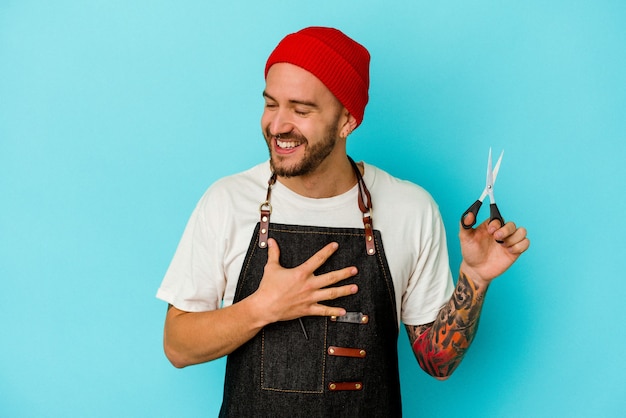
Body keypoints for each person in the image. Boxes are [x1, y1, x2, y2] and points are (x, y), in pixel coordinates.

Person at [157, 26, 530, 417]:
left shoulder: (410, 208)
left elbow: (437, 363)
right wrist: (262, 308)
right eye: (271, 104)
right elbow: (177, 347)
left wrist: (475, 277)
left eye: (301, 110)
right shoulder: (228, 201)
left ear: (347, 120)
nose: (278, 125)